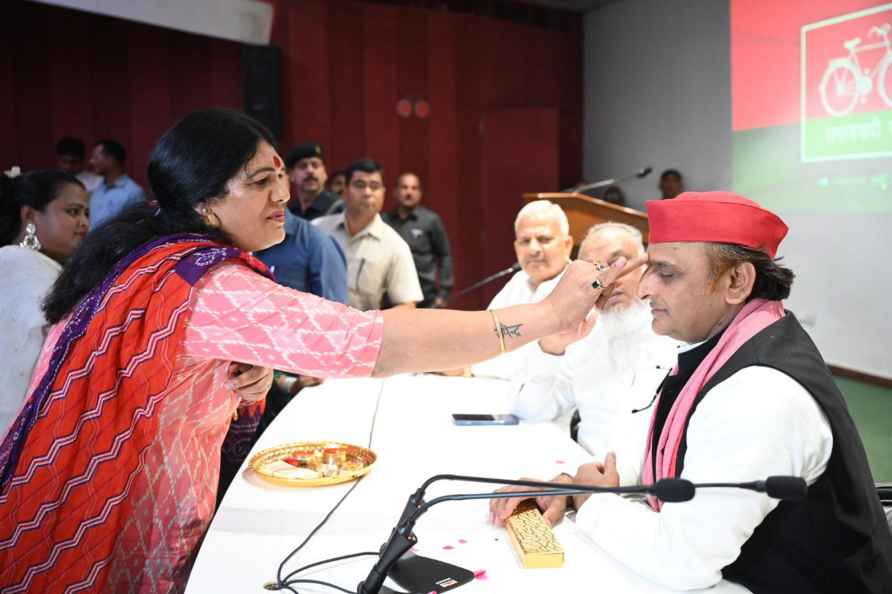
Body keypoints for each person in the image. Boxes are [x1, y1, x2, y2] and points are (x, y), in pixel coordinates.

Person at [0, 108, 628, 594]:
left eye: (281, 175)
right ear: (203, 201)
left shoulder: (162, 261)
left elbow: (157, 369)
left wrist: (227, 372)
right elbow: (369, 341)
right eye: (260, 181)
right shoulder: (206, 282)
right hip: (115, 520)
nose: (283, 195)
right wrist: (545, 314)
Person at [491, 192, 892, 593]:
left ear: (736, 282)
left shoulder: (760, 391)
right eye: (649, 268)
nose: (644, 288)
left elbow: (681, 562)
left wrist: (592, 502)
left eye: (666, 273)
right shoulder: (725, 341)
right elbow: (665, 447)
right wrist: (575, 483)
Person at [510, 223, 681, 472]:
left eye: (620, 263)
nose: (609, 279)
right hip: (583, 486)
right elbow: (531, 410)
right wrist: (551, 348)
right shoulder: (582, 337)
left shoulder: (681, 334)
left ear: (646, 266)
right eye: (596, 270)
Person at [0, 169, 89, 432]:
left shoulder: (15, 261)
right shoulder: (28, 269)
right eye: (73, 212)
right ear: (29, 216)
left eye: (86, 213)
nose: (84, 223)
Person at [471, 200, 573, 378]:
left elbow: (541, 367)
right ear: (516, 247)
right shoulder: (518, 281)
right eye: (525, 241)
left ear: (567, 245)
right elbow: (485, 339)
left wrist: (470, 366)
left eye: (544, 239)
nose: (533, 249)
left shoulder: (579, 288)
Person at [315, 159, 424, 310]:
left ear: (383, 194)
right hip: (314, 327)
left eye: (374, 187)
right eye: (359, 185)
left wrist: (371, 323)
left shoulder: (395, 245)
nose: (367, 192)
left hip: (361, 331)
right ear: (345, 191)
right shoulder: (317, 229)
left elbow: (407, 305)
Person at [382, 172, 453, 308]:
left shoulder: (431, 221)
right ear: (395, 192)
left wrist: (443, 294)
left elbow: (445, 256)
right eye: (404, 187)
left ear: (420, 193)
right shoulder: (384, 221)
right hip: (390, 299)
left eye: (414, 188)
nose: (409, 192)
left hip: (425, 298)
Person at [88, 138, 146, 226]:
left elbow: (137, 227)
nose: (91, 161)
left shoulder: (133, 192)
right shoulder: (97, 189)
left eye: (96, 157)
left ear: (110, 159)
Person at [285, 142, 343, 220]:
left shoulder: (339, 209)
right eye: (303, 166)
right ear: (291, 175)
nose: (310, 171)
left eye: (315, 165)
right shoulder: (289, 213)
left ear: (325, 173)